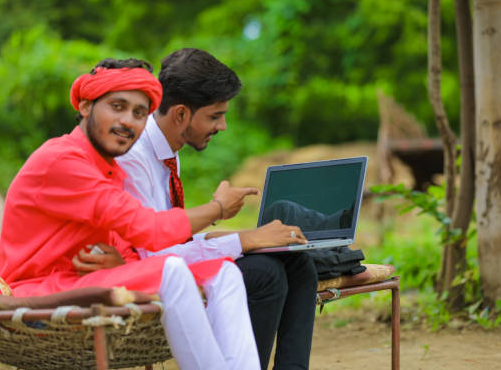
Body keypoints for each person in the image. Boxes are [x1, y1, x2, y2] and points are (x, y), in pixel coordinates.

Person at [0, 58, 302, 370]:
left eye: (139, 113)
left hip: (88, 280)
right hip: (38, 289)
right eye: (117, 106)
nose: (128, 121)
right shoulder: (63, 159)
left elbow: (127, 243)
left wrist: (122, 262)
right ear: (86, 106)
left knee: (223, 273)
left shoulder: (108, 166)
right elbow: (147, 229)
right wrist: (218, 209)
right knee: (172, 270)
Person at [72, 48, 318, 370]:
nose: (223, 126)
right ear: (180, 115)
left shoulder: (169, 149)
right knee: (264, 274)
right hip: (140, 270)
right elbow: (153, 254)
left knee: (296, 260)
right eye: (215, 116)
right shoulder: (133, 156)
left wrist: (248, 236)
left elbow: (172, 238)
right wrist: (239, 236)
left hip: (163, 259)